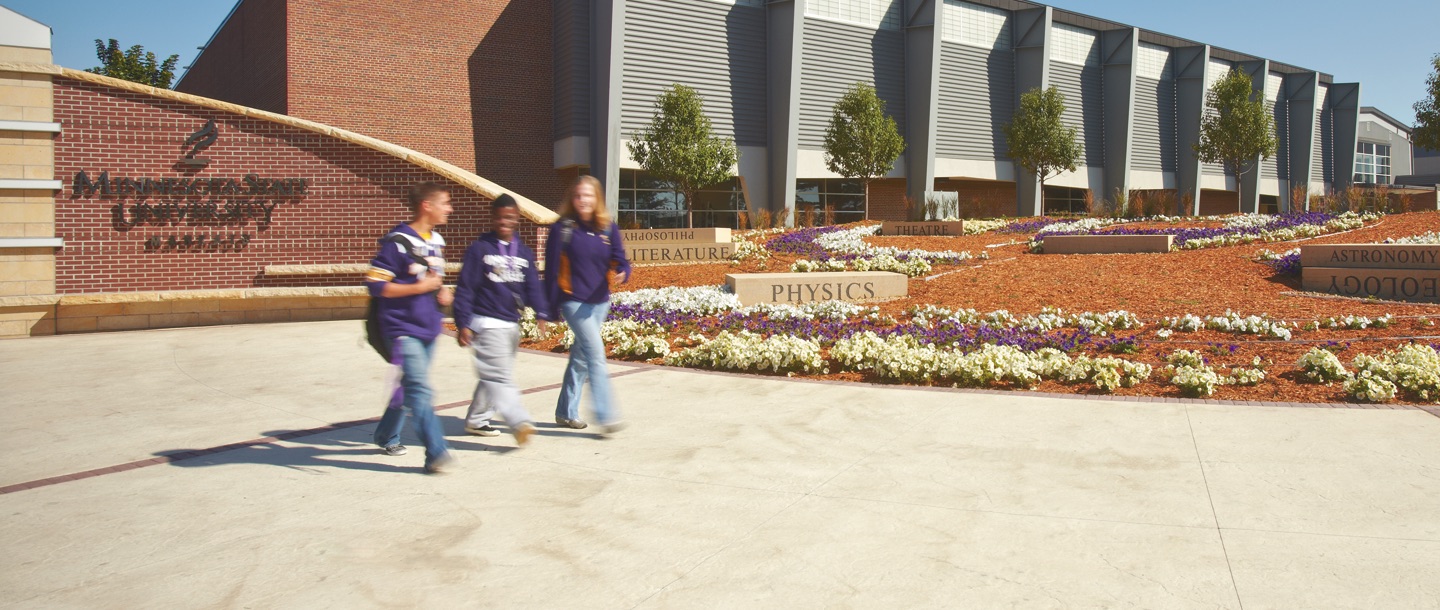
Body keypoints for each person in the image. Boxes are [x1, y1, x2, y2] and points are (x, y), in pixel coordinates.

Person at [366, 181, 457, 474]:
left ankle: (384, 434)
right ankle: (436, 452)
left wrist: (441, 293)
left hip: (429, 327)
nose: (449, 209)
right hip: (402, 330)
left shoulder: (437, 241)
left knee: (408, 389)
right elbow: (377, 285)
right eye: (445, 203)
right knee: (420, 390)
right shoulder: (398, 242)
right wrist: (421, 287)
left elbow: (434, 281)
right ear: (426, 206)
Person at [453, 194, 549, 446]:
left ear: (517, 219)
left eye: (509, 217)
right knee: (499, 377)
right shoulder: (480, 249)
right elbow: (465, 288)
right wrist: (462, 323)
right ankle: (519, 422)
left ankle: (477, 419)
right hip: (485, 322)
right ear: (492, 218)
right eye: (499, 217)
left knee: (493, 374)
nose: (504, 221)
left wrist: (541, 312)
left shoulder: (524, 252)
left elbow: (532, 288)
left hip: (510, 324)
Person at [543, 175, 631, 434]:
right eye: (579, 195)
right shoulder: (563, 229)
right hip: (573, 301)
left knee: (581, 357)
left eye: (589, 195)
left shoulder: (607, 227)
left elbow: (621, 259)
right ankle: (606, 415)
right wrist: (548, 309)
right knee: (595, 355)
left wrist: (624, 272)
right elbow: (551, 271)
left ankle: (565, 411)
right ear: (573, 198)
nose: (583, 200)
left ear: (597, 199)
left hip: (600, 302)